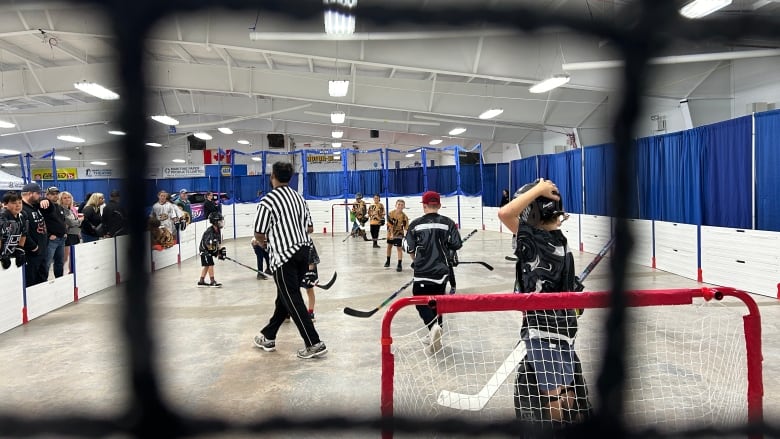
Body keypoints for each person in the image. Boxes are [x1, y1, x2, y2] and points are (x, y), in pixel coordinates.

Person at [497, 178, 592, 428]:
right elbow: (574, 298)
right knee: (568, 388)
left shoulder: (535, 239)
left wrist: (538, 189)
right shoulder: (562, 241)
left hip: (542, 328)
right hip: (566, 329)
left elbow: (505, 213)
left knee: (553, 393)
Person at [252, 161, 327, 360]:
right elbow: (309, 228)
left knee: (292, 298)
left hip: (283, 257)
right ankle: (268, 336)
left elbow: (259, 233)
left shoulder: (268, 201)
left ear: (272, 176)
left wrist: (264, 243)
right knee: (284, 298)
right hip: (303, 252)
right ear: (290, 177)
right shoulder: (299, 198)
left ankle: (313, 342)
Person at [403, 191, 462, 354]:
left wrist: (415, 260)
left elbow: (408, 247)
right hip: (442, 271)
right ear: (439, 205)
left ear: (423, 205)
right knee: (437, 302)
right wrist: (446, 249)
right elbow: (457, 244)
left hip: (423, 270)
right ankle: (436, 334)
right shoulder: (448, 223)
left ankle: (433, 327)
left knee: (420, 300)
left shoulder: (415, 224)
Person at [20, 183, 49, 286]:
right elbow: (23, 232)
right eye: (38, 194)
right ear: (29, 194)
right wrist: (33, 247)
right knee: (31, 280)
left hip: (42, 250)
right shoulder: (22, 209)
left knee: (43, 278)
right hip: (31, 253)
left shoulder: (36, 206)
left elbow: (51, 209)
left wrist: (44, 200)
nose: (40, 196)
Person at [41, 186, 68, 278]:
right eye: (52, 194)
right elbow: (41, 222)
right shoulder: (45, 206)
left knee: (60, 262)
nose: (55, 195)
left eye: (57, 194)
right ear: (47, 195)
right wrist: (49, 235)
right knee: (47, 262)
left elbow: (62, 221)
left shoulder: (59, 207)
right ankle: (43, 282)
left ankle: (59, 281)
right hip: (52, 240)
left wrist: (65, 232)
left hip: (61, 239)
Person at [0, 191, 27, 271]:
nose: (18, 205)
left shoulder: (22, 216)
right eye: (14, 203)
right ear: (5, 204)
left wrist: (20, 249)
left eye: (20, 202)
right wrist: (2, 254)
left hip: (11, 254)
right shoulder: (2, 217)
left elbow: (24, 234)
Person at [197, 211, 225, 287]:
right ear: (215, 222)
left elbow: (218, 242)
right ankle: (212, 281)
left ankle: (201, 281)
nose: (221, 222)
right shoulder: (209, 231)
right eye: (219, 221)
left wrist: (219, 251)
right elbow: (207, 244)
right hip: (205, 251)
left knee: (206, 266)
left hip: (209, 250)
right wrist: (215, 251)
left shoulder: (218, 230)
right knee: (210, 264)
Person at [384, 199, 409, 272]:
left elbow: (406, 227)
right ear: (395, 205)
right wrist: (391, 234)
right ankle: (388, 260)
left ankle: (399, 264)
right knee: (389, 246)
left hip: (399, 234)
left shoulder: (405, 217)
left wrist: (406, 236)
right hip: (391, 233)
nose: (400, 206)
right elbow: (390, 225)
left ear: (404, 206)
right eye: (399, 204)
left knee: (399, 249)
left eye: (402, 205)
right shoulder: (391, 214)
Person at [59, 191, 80, 273]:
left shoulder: (71, 209)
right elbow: (70, 222)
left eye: (69, 197)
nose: (67, 199)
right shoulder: (62, 209)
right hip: (67, 235)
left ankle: (71, 272)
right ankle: (60, 275)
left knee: (72, 256)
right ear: (61, 199)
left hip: (74, 234)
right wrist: (78, 221)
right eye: (65, 198)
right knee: (64, 257)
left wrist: (76, 222)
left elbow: (74, 222)